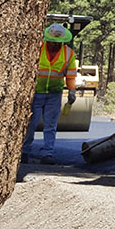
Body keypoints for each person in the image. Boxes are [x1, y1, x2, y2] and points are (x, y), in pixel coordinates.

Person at [22, 23, 78, 164]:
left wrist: (72, 90)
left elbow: (70, 75)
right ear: (47, 39)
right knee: (30, 123)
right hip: (35, 92)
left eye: (58, 42)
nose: (55, 45)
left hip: (54, 93)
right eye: (53, 42)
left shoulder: (68, 53)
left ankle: (47, 153)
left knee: (50, 125)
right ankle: (24, 151)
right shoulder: (37, 49)